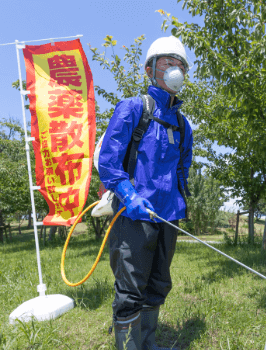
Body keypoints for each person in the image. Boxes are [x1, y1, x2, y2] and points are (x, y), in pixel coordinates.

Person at [98, 35, 193, 350]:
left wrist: (181, 200)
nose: (175, 70)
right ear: (150, 69)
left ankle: (148, 344)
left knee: (158, 284)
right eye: (168, 63)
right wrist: (128, 194)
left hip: (168, 216)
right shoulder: (134, 108)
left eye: (180, 65)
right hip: (135, 213)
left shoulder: (182, 124)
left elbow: (182, 168)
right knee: (130, 290)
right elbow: (109, 162)